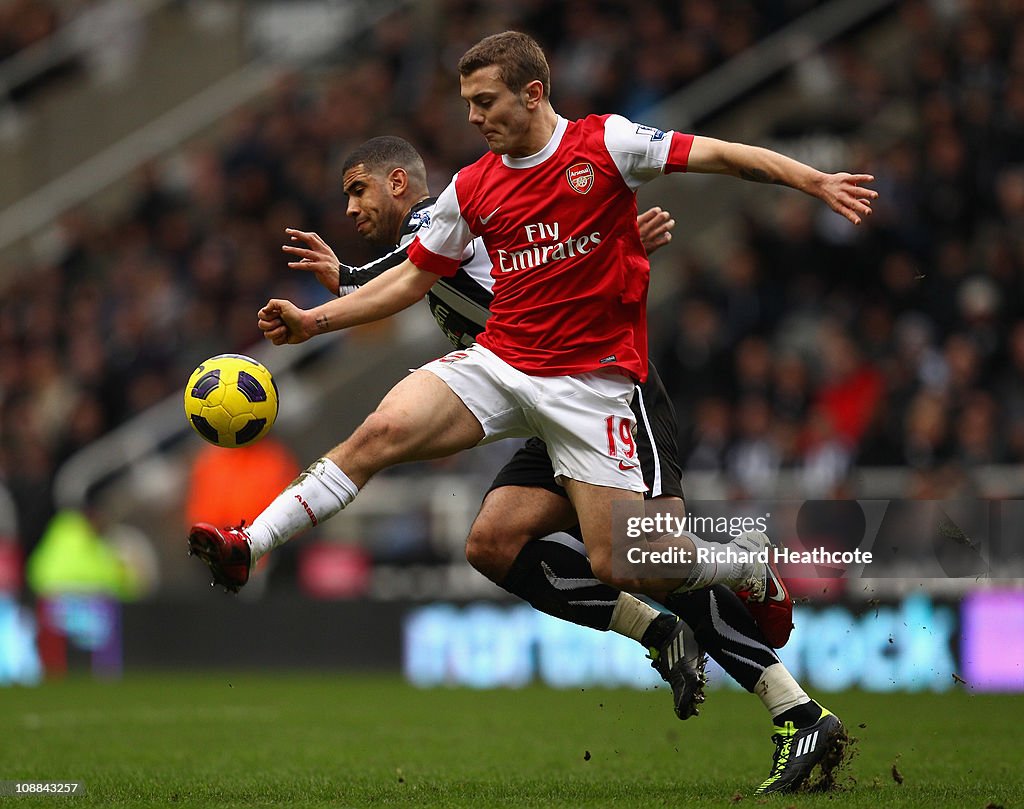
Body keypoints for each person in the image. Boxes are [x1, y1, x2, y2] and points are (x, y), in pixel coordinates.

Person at [191, 31, 875, 794]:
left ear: (533, 93)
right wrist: (317, 321)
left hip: (606, 391)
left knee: (631, 560)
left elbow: (718, 154)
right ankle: (250, 542)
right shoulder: (471, 188)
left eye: (485, 101)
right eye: (467, 104)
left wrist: (811, 179)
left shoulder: (605, 142)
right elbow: (414, 280)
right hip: (508, 366)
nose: (475, 116)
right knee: (452, 502)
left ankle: (762, 621)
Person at [280, 135, 796, 727]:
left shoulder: (433, 218)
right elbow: (545, 255)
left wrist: (345, 278)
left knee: (648, 557)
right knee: (494, 544)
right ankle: (657, 630)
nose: (350, 208)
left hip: (616, 395)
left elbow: (408, 268)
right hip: (549, 406)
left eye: (357, 190)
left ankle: (789, 692)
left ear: (397, 182)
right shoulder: (483, 225)